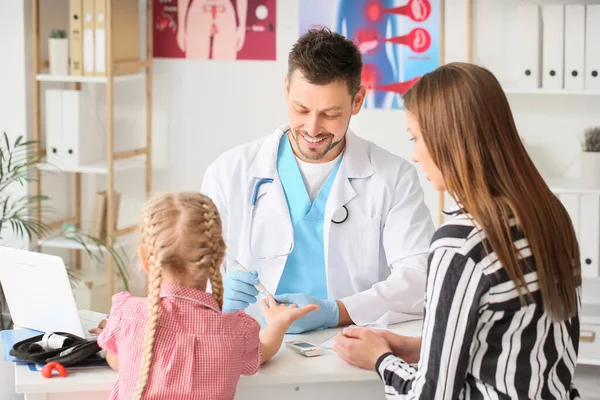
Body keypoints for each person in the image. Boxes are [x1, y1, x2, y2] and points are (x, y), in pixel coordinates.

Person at [332, 62, 582, 399]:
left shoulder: (462, 242)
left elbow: (431, 395)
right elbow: (514, 339)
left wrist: (380, 359)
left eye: (416, 138)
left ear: (450, 141)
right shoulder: (549, 215)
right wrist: (420, 348)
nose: (415, 155)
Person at [201, 28, 435, 334]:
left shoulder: (393, 177)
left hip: (347, 342)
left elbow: (420, 278)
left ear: (357, 100)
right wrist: (215, 293)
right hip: (246, 344)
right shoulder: (229, 172)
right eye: (301, 109)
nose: (312, 128)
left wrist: (335, 311)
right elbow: (188, 272)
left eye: (330, 113)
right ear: (286, 90)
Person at [92, 192, 318, 400]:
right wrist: (278, 324)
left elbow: (116, 360)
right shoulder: (237, 331)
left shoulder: (126, 315)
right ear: (219, 257)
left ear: (145, 258)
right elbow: (263, 352)